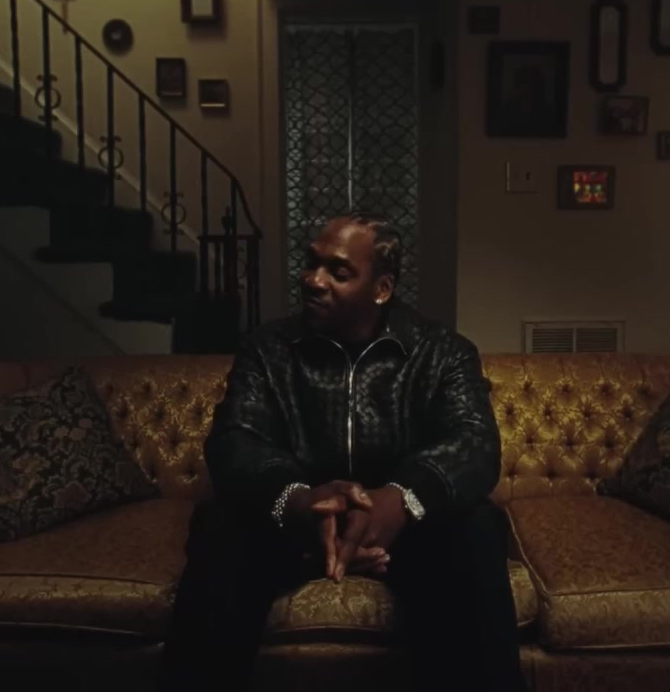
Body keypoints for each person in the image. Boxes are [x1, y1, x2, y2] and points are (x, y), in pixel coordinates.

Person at [161, 215, 526, 692]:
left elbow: (474, 443)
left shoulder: (441, 352)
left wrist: (400, 499)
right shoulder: (268, 349)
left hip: (407, 534)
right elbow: (235, 439)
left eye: (338, 271)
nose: (313, 280)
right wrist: (298, 501)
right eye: (311, 263)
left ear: (382, 288)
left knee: (478, 526)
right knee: (219, 524)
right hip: (294, 525)